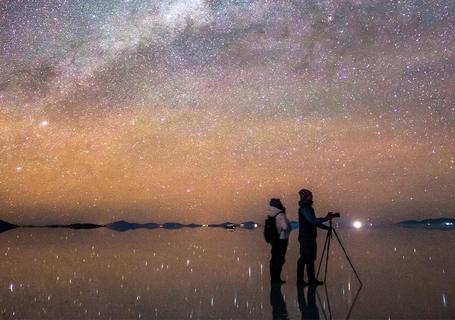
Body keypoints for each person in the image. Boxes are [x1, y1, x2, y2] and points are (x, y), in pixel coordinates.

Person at [297, 189, 334, 286]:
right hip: (306, 237)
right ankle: (300, 281)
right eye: (310, 195)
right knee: (305, 257)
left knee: (310, 258)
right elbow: (312, 221)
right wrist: (326, 219)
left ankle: (311, 280)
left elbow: (313, 222)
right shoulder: (304, 208)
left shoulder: (308, 208)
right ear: (306, 197)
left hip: (309, 236)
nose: (312, 196)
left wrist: (326, 227)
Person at [269, 198, 291, 284]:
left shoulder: (272, 214)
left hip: (275, 240)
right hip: (281, 240)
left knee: (275, 258)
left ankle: (274, 278)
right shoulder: (280, 215)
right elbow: (285, 227)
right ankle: (276, 278)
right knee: (279, 259)